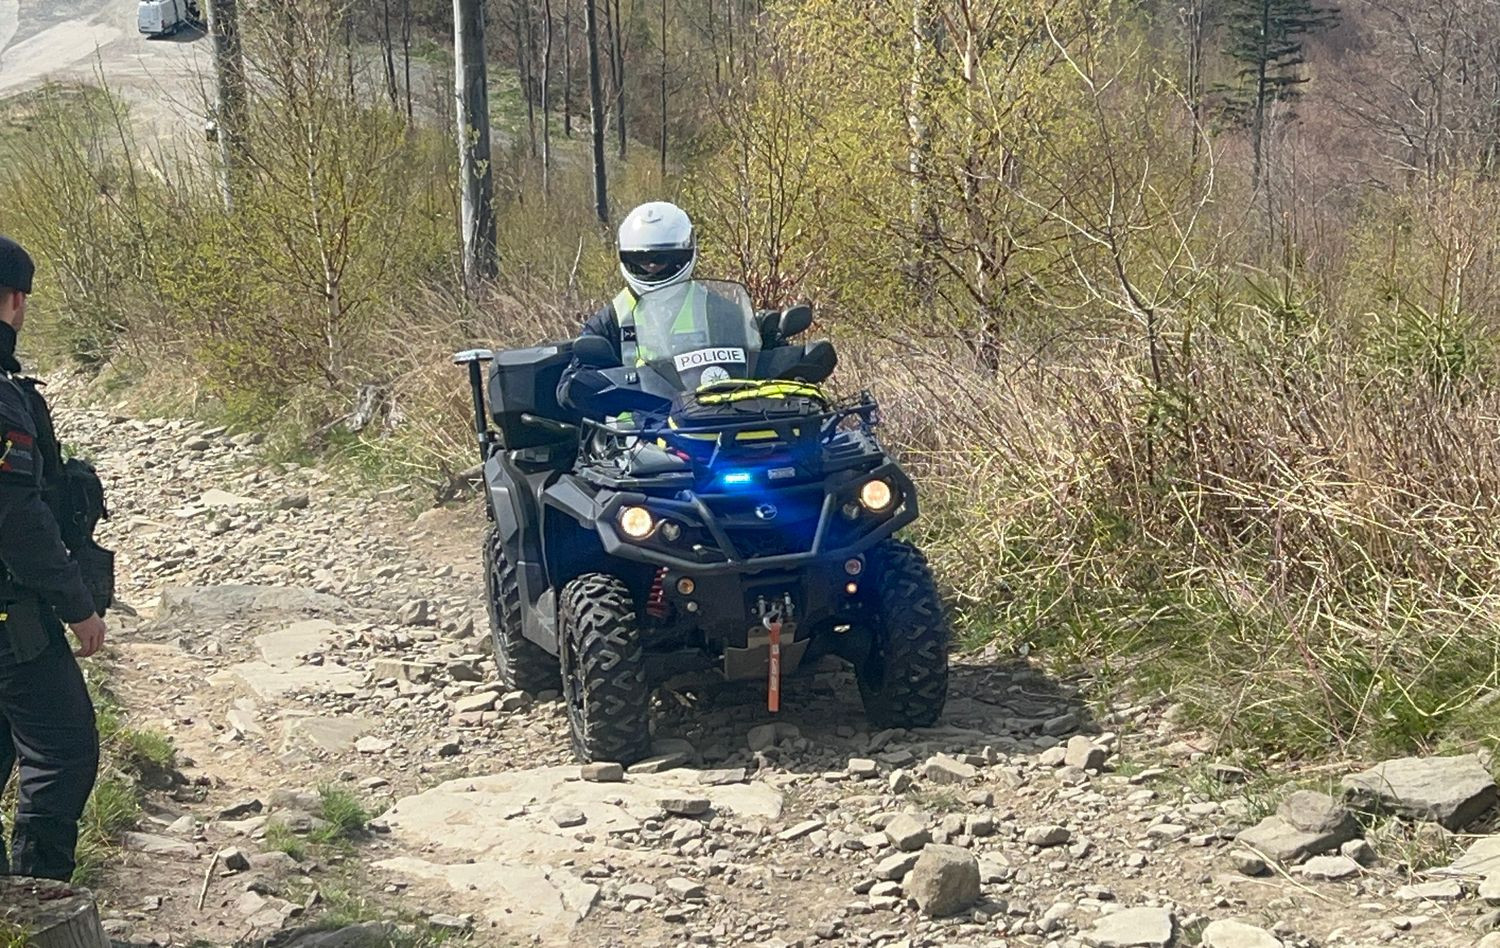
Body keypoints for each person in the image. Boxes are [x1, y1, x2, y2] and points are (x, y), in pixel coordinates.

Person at [0, 235, 106, 881]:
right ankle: (35, 901)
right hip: (12, 619)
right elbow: (15, 515)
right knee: (63, 752)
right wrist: (78, 606)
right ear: (14, 300)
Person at [558, 201, 782, 416]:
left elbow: (757, 359)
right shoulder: (613, 317)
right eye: (640, 258)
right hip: (637, 433)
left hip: (710, 424)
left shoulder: (719, 311)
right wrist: (607, 388)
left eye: (660, 258)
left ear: (683, 254)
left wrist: (775, 347)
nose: (651, 266)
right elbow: (569, 384)